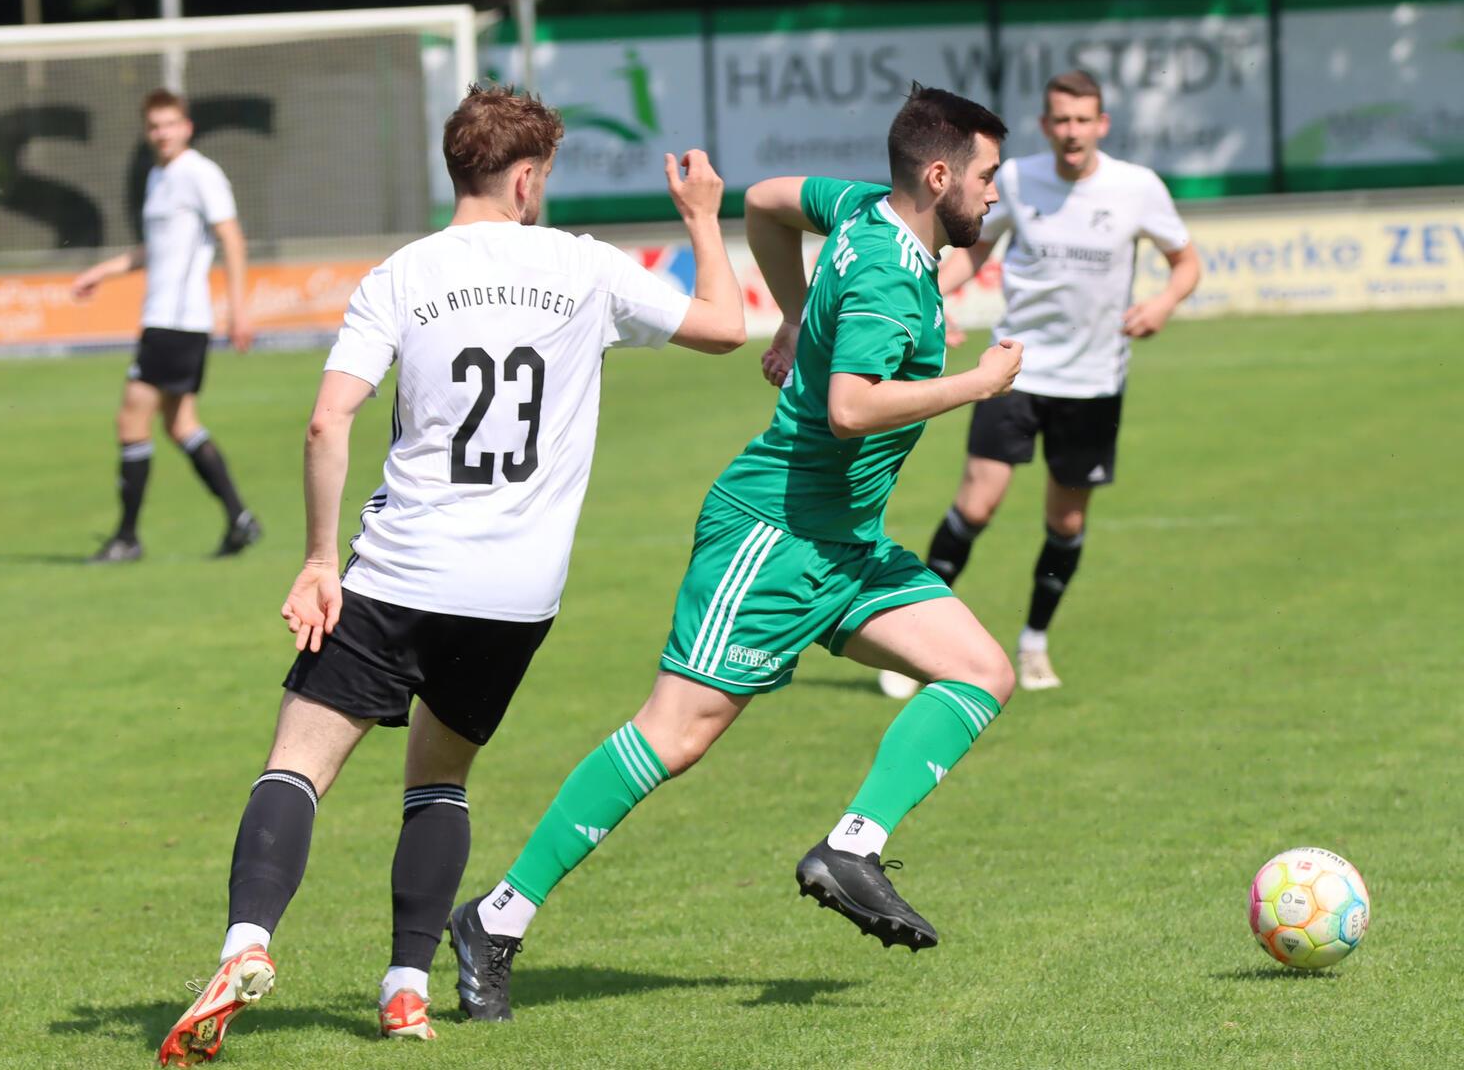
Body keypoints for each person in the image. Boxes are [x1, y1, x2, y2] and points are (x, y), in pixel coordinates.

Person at [154, 84, 745, 1066]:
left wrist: (316, 559)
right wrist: (702, 221)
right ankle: (403, 991)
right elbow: (727, 327)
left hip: (400, 573)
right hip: (517, 597)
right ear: (524, 178)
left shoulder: (402, 275)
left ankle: (245, 945)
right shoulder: (583, 269)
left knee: (297, 762)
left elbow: (326, 421)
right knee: (440, 780)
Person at [446, 84, 1020, 1022]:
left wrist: (793, 318)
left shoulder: (868, 211)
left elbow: (765, 200)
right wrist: (974, 382)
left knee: (978, 673)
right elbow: (847, 408)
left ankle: (853, 847)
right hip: (775, 535)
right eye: (989, 176)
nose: (996, 194)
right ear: (941, 173)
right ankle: (497, 917)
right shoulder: (882, 271)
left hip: (845, 546)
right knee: (675, 735)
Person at [883, 69, 1201, 694]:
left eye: (1083, 119)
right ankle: (911, 650)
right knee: (976, 505)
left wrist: (1162, 304)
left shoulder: (1137, 187)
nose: (1071, 131)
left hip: (1093, 381)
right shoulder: (1019, 178)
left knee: (1066, 523)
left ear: (1101, 124)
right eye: (1061, 119)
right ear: (1045, 125)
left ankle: (1034, 642)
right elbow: (976, 248)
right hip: (1014, 369)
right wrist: (936, 298)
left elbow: (1185, 262)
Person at [74, 89, 261, 562]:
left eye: (170, 124)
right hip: (165, 320)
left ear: (186, 127)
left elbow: (232, 240)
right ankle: (239, 519)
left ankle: (127, 537)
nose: (162, 133)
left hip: (175, 322)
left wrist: (239, 309)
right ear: (147, 132)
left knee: (130, 419)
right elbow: (152, 251)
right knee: (180, 424)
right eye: (154, 126)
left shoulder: (200, 173)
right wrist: (102, 271)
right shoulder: (159, 177)